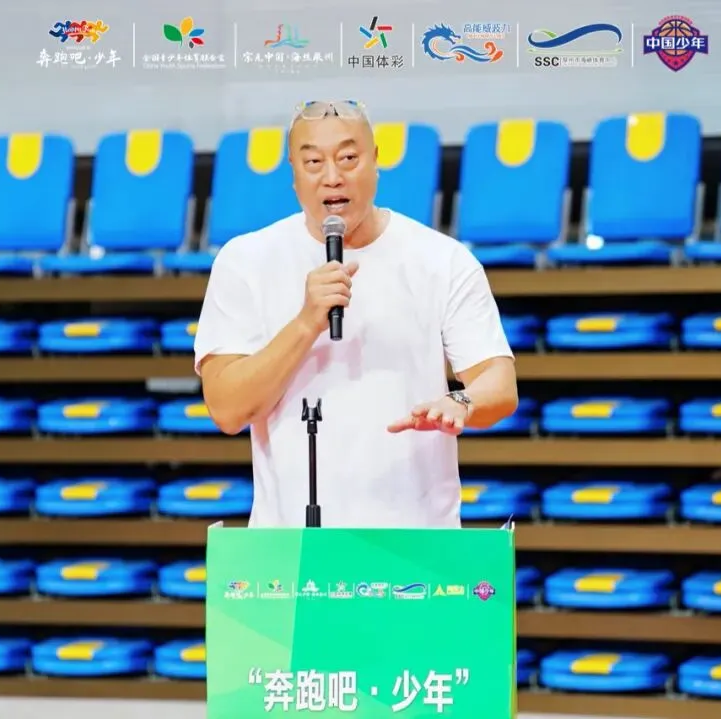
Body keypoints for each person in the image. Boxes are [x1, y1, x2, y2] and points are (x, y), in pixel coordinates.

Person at [193, 100, 518, 528]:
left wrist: (461, 400)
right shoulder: (245, 261)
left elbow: (499, 383)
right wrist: (306, 322)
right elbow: (227, 409)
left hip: (416, 540)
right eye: (313, 162)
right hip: (292, 544)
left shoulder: (442, 260)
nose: (332, 176)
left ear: (376, 161)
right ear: (293, 173)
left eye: (348, 158)